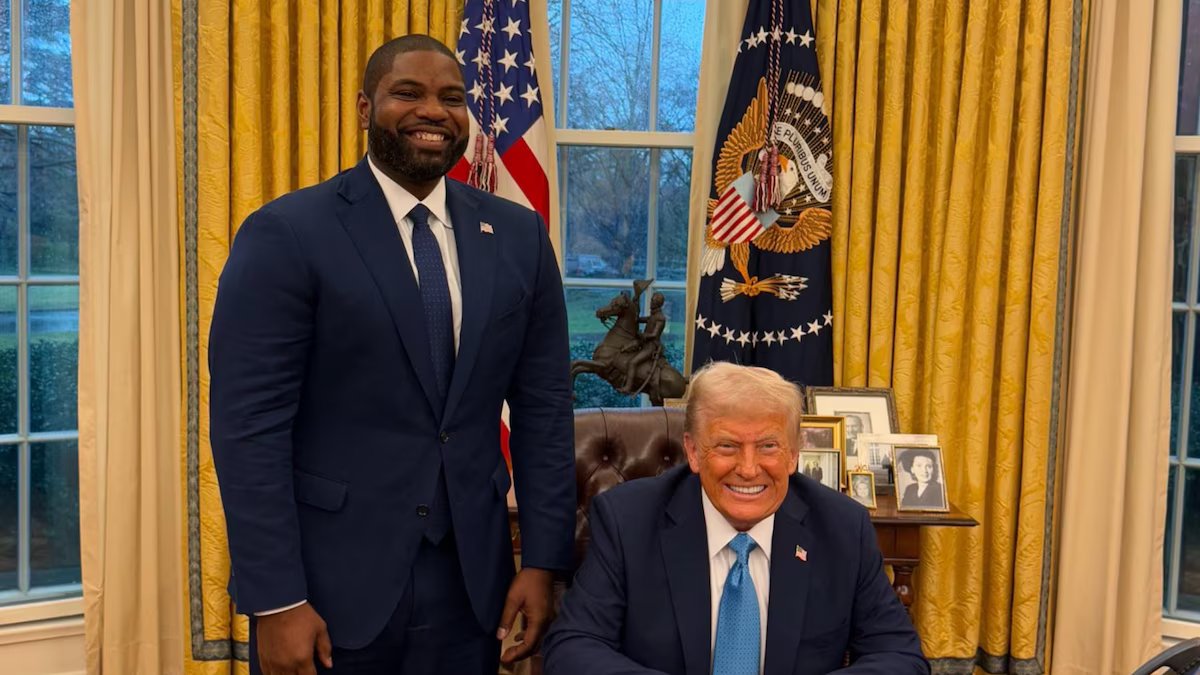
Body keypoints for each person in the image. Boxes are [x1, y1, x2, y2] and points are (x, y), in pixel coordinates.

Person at [208, 35, 575, 675]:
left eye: (452, 98)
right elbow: (249, 429)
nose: (433, 110)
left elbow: (545, 408)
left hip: (473, 586)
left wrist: (543, 561)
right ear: (363, 107)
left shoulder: (518, 236)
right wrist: (276, 599)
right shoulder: (286, 233)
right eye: (408, 92)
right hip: (327, 590)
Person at [542, 362, 928, 675]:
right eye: (727, 445)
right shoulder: (629, 520)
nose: (748, 469)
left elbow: (900, 656)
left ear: (794, 453)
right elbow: (573, 647)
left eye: (768, 447)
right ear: (693, 451)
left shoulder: (842, 528)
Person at [621, 292, 667, 394]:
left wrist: (643, 335)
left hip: (650, 346)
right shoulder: (653, 315)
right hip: (643, 343)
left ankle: (628, 387)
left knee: (633, 362)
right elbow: (637, 319)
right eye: (651, 300)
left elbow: (655, 334)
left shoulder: (660, 318)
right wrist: (636, 303)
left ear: (658, 303)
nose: (651, 303)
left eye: (653, 301)